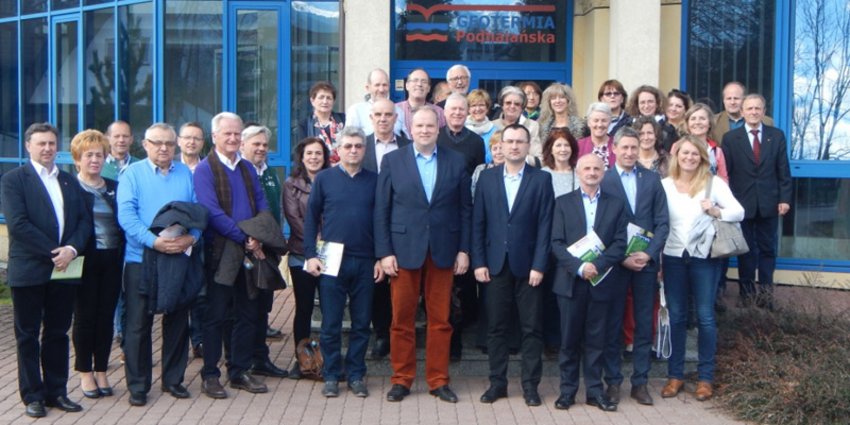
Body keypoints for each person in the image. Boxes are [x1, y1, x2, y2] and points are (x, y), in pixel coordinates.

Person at [375, 106, 472, 404]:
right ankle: (402, 379)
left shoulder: (456, 161)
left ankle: (438, 380)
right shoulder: (393, 161)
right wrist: (384, 252)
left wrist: (464, 250)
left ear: (438, 128)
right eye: (420, 126)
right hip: (403, 251)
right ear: (411, 129)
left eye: (431, 126)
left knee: (440, 319)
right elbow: (382, 210)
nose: (425, 131)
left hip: (443, 250)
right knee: (401, 319)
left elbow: (465, 209)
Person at [1, 123, 92, 418]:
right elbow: (18, 224)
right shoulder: (14, 179)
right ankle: (33, 395)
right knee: (27, 335)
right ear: (28, 146)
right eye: (41, 143)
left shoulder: (68, 181)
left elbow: (83, 222)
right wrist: (56, 252)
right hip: (30, 269)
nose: (48, 148)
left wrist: (72, 250)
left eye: (52, 143)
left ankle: (56, 391)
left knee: (57, 332)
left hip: (66, 268)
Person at [117, 122, 204, 407]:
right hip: (142, 258)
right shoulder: (132, 174)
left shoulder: (186, 174)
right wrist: (153, 242)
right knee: (139, 324)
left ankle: (173, 380)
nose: (164, 148)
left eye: (169, 143)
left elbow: (198, 212)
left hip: (179, 256)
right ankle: (139, 385)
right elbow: (127, 216)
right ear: (145, 144)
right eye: (158, 143)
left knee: (178, 320)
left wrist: (192, 238)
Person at [472, 124, 554, 407]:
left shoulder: (542, 180)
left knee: (532, 329)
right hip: (494, 265)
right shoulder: (487, 179)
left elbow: (546, 226)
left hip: (529, 266)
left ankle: (530, 386)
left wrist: (540, 265)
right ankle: (498, 383)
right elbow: (478, 223)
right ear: (502, 145)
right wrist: (478, 261)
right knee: (496, 328)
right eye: (510, 141)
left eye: (520, 141)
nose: (515, 146)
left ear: (528, 145)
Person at [660, 136, 744, 401]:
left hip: (704, 257)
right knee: (676, 317)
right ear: (677, 156)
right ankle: (675, 376)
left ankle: (705, 378)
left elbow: (740, 212)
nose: (689, 157)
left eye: (695, 154)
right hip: (673, 257)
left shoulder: (713, 183)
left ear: (702, 158)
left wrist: (717, 211)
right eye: (685, 153)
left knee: (706, 317)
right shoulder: (664, 186)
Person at [195, 112, 270, 398]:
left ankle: (239, 370)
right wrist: (245, 236)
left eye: (237, 134)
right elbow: (211, 211)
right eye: (227, 133)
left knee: (247, 313)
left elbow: (262, 204)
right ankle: (210, 374)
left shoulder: (248, 168)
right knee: (216, 315)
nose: (232, 138)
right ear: (214, 136)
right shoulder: (205, 169)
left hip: (249, 252)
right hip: (221, 252)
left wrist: (258, 234)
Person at [303, 126, 383, 398]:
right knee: (331, 323)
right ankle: (331, 375)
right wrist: (310, 256)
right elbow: (311, 219)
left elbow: (381, 221)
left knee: (362, 323)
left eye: (358, 146)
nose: (353, 150)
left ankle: (357, 374)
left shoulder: (376, 180)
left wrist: (381, 258)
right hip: (331, 260)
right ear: (338, 149)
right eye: (347, 145)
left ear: (364, 149)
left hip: (365, 260)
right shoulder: (324, 179)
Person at [551, 154, 627, 412]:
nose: (592, 172)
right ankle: (567, 392)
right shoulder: (562, 203)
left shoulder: (616, 205)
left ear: (603, 173)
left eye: (597, 168)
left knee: (597, 340)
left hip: (602, 280)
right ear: (578, 171)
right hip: (571, 281)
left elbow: (620, 243)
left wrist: (598, 265)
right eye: (587, 168)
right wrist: (580, 267)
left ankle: (595, 392)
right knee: (569, 340)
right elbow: (556, 244)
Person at [600, 127, 669, 407]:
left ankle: (640, 383)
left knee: (644, 324)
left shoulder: (652, 179)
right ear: (613, 148)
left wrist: (649, 255)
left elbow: (663, 222)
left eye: (633, 147)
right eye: (624, 147)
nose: (629, 152)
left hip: (645, 265)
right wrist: (620, 257)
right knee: (612, 324)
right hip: (615, 265)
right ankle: (613, 382)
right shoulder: (603, 179)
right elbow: (598, 226)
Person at [722, 94, 792, 309]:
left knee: (767, 249)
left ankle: (766, 295)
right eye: (749, 108)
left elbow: (783, 170)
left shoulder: (776, 135)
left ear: (763, 111)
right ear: (742, 112)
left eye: (757, 108)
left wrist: (784, 199)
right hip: (742, 205)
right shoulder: (730, 139)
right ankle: (746, 294)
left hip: (770, 203)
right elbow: (727, 174)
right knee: (746, 250)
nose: (753, 112)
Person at [70, 130, 123, 400]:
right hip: (84, 261)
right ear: (77, 159)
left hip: (112, 259)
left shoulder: (114, 186)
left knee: (106, 318)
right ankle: (85, 372)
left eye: (99, 155)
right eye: (88, 155)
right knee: (85, 318)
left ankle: (102, 369)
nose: (94, 159)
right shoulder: (70, 187)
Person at [239, 124, 290, 378]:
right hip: (246, 250)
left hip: (267, 251)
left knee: (263, 309)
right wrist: (254, 241)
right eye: (255, 144)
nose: (260, 148)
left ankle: (260, 359)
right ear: (242, 144)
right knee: (245, 311)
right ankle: (242, 362)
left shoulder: (269, 172)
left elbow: (275, 212)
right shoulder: (239, 172)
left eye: (264, 145)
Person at [362, 98, 410, 359]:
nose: (383, 119)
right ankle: (382, 335)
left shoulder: (408, 146)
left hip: (402, 224)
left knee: (402, 282)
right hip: (369, 224)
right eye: (378, 114)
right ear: (371, 117)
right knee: (377, 284)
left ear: (396, 118)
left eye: (388, 114)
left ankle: (400, 333)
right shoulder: (362, 146)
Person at [283, 137, 330, 378]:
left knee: (330, 308)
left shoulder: (332, 180)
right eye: (309, 153)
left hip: (330, 255)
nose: (313, 157)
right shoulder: (291, 184)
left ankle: (326, 358)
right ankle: (301, 359)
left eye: (318, 153)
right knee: (303, 309)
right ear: (302, 157)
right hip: (301, 254)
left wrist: (325, 245)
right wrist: (316, 244)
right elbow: (295, 219)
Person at [177, 122, 207, 359]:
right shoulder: (172, 167)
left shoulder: (207, 169)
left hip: (201, 237)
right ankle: (177, 342)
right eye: (187, 138)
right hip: (173, 239)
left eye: (196, 138)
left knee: (200, 291)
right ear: (179, 141)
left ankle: (198, 340)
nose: (191, 142)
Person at [296, 81, 345, 165]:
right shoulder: (304, 125)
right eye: (321, 97)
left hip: (343, 170)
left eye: (329, 98)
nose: (325, 101)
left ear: (333, 101)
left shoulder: (344, 119)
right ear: (312, 100)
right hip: (316, 172)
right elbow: (301, 154)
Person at [345, 68, 405, 136]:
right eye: (377, 85)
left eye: (384, 85)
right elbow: (349, 139)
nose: (381, 89)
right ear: (368, 88)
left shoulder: (398, 111)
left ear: (389, 86)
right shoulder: (356, 110)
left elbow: (406, 140)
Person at [710, 81, 774, 143]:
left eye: (736, 98)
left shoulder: (767, 121)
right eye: (729, 98)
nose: (732, 102)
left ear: (744, 100)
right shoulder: (714, 121)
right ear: (723, 100)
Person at [438, 93, 486, 175]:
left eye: (461, 109)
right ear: (445, 112)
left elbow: (478, 174)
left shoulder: (477, 141)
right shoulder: (435, 137)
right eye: (453, 108)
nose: (457, 112)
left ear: (467, 112)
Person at [679, 103, 728, 182]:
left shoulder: (717, 151)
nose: (697, 122)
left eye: (702, 118)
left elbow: (724, 179)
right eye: (693, 118)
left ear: (709, 123)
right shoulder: (678, 147)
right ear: (687, 124)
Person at [492, 85, 542, 161]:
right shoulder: (492, 125)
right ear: (502, 105)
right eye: (508, 103)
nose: (512, 106)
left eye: (517, 104)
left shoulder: (532, 126)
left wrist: (513, 158)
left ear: (522, 108)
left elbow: (538, 159)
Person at [626, 85, 678, 152]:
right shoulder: (628, 126)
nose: (646, 106)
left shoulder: (668, 130)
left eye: (650, 101)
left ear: (657, 103)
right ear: (637, 105)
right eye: (642, 102)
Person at [396, 68, 446, 137]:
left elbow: (443, 138)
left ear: (429, 88)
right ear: (407, 86)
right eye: (415, 80)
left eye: (424, 81)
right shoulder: (395, 110)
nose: (419, 84)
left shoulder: (439, 112)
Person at [541, 128, 579, 197]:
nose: (563, 149)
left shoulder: (579, 173)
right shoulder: (543, 174)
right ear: (551, 150)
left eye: (567, 145)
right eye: (558, 145)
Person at [577, 103, 616, 170]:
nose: (600, 125)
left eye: (604, 121)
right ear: (588, 123)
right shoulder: (578, 146)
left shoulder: (617, 145)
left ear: (610, 122)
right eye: (596, 120)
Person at [465, 89, 497, 163]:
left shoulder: (495, 131)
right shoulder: (462, 128)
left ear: (487, 108)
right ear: (469, 109)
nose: (478, 109)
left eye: (481, 105)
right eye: (474, 105)